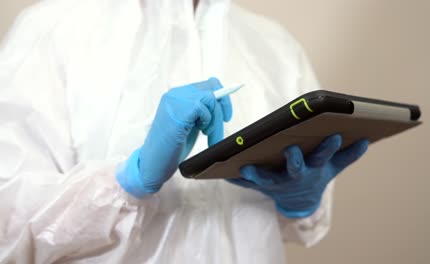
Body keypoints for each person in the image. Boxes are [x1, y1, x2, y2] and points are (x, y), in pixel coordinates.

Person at [0, 0, 369, 263]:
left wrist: (299, 201)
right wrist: (127, 181)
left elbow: (298, 230)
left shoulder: (274, 45)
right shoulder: (53, 29)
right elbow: (9, 226)